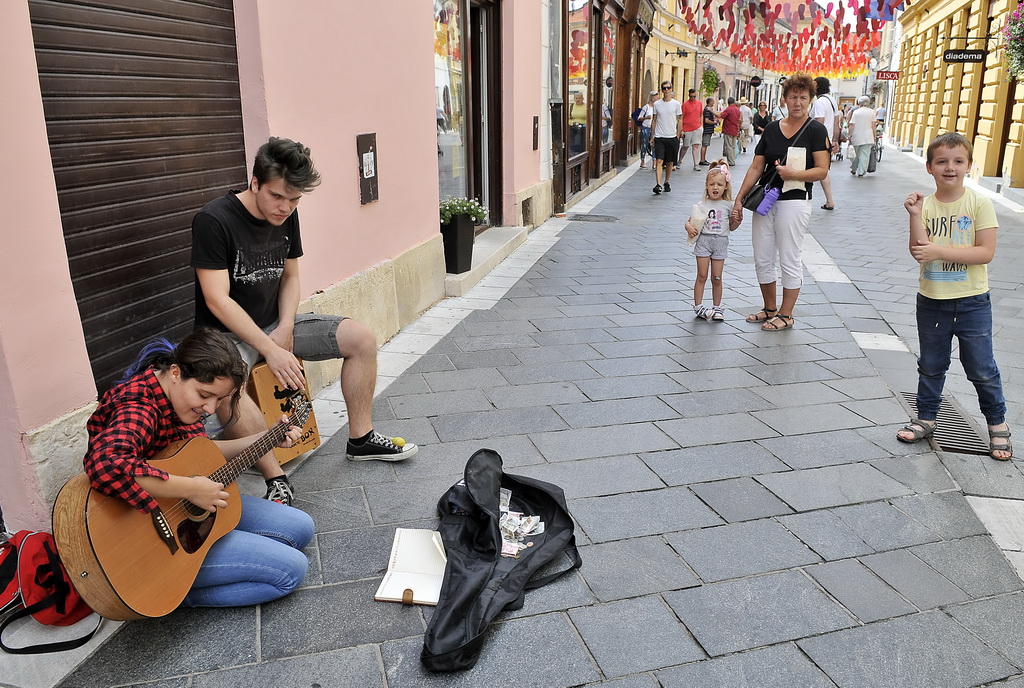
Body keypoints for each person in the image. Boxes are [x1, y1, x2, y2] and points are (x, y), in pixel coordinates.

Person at [192, 137, 418, 507]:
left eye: (294, 200)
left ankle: (360, 439)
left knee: (360, 338)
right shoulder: (214, 220)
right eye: (277, 197)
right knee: (227, 385)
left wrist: (283, 329)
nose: (285, 207)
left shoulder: (287, 215)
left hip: (275, 324)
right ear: (254, 183)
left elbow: (291, 277)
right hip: (225, 336)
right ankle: (275, 477)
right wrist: (269, 348)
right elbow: (217, 300)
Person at [83, 329, 314, 607]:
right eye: (205, 395)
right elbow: (108, 464)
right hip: (146, 534)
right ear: (176, 373)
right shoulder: (140, 405)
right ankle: (168, 594)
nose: (210, 408)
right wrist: (191, 488)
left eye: (219, 399)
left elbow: (197, 452)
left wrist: (267, 438)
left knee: (300, 527)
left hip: (177, 511)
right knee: (290, 571)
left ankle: (220, 553)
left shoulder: (181, 402)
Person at [896, 133, 1011, 461]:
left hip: (972, 300)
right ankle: (926, 418)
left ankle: (997, 424)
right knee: (931, 364)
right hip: (931, 298)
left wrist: (939, 251)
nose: (950, 167)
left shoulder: (978, 203)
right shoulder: (927, 205)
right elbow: (919, 251)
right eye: (942, 161)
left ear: (969, 167)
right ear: (930, 167)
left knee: (981, 367)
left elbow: (985, 252)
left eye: (958, 161)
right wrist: (915, 215)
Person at [731, 72, 831, 332]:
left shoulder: (816, 130)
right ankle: (769, 308)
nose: (797, 102)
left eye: (803, 97)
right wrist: (739, 199)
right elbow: (756, 166)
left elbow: (822, 170)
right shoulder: (773, 128)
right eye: (793, 97)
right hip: (766, 199)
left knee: (789, 256)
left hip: (795, 200)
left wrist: (795, 174)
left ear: (810, 100)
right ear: (784, 99)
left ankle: (787, 314)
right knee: (762, 256)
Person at [686, 160, 741, 321]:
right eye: (712, 184)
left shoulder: (728, 205)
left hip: (720, 243)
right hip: (704, 241)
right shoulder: (702, 204)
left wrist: (737, 220)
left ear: (726, 186)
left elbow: (731, 227)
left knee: (717, 277)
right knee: (702, 275)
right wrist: (688, 227)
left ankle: (717, 307)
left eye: (719, 184)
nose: (715, 187)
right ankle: (698, 306)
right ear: (706, 185)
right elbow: (690, 221)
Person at [810, 76, 840, 211]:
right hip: (828, 139)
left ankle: (827, 200)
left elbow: (819, 121)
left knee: (817, 170)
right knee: (824, 171)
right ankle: (829, 201)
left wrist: (812, 139)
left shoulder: (820, 102)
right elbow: (836, 122)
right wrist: (835, 140)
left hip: (818, 140)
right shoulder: (832, 100)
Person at [650, 81, 682, 194]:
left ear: (671, 89)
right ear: (662, 90)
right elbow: (654, 120)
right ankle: (658, 184)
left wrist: (678, 134)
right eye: (664, 88)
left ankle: (666, 181)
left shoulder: (676, 104)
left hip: (671, 136)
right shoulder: (657, 104)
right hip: (659, 136)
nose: (666, 90)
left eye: (668, 88)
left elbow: (680, 119)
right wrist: (652, 136)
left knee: (669, 162)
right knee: (659, 160)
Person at [847, 96, 877, 177]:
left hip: (857, 136)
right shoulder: (872, 112)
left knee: (855, 154)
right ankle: (861, 172)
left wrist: (849, 134)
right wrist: (874, 135)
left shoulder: (856, 112)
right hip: (868, 136)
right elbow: (873, 125)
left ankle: (854, 168)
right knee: (865, 155)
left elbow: (852, 125)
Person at [680, 88, 705, 172]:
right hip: (687, 128)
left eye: (694, 96)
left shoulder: (699, 103)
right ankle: (679, 161)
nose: (693, 98)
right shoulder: (685, 105)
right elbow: (681, 117)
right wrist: (681, 129)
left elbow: (701, 114)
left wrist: (701, 125)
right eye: (691, 97)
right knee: (685, 146)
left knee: (696, 145)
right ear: (689, 95)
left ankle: (696, 164)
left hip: (697, 127)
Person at [720, 97, 741, 166]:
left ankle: (731, 161)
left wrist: (712, 111)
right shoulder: (737, 110)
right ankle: (732, 159)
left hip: (728, 129)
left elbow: (721, 116)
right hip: (735, 129)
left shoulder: (728, 109)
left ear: (728, 103)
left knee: (728, 146)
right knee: (733, 146)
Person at [638, 91, 656, 169]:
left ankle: (654, 163)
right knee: (644, 144)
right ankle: (642, 161)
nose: (657, 99)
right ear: (652, 98)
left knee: (654, 145)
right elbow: (639, 117)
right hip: (646, 127)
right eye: (656, 97)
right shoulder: (646, 107)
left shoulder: (657, 107)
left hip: (654, 129)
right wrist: (646, 117)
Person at [699, 97, 718, 165]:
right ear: (710, 102)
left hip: (708, 130)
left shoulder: (709, 109)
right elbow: (706, 120)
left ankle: (703, 159)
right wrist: (714, 123)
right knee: (705, 144)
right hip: (707, 130)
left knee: (706, 145)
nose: (714, 103)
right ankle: (702, 160)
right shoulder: (707, 110)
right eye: (713, 101)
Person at [568, 91, 588, 156]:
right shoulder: (571, 106)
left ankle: (581, 154)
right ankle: (573, 154)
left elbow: (590, 116)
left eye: (579, 98)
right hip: (572, 127)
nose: (578, 100)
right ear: (574, 99)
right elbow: (568, 116)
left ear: (583, 99)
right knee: (572, 142)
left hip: (583, 127)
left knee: (581, 142)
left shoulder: (586, 106)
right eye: (576, 98)